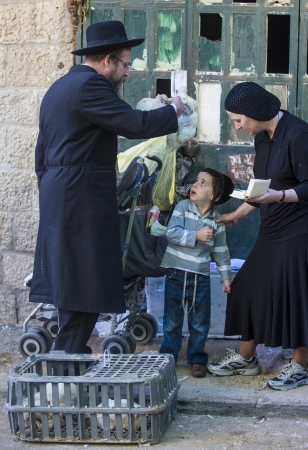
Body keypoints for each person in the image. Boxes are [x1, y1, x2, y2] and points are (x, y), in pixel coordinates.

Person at [29, 21, 184, 355]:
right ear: (108, 61)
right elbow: (135, 124)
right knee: (83, 272)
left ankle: (71, 351)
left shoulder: (63, 85)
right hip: (78, 192)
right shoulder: (91, 86)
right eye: (126, 64)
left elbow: (41, 152)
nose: (128, 72)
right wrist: (174, 110)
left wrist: (53, 186)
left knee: (77, 272)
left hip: (65, 189)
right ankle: (66, 356)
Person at [207, 82, 308, 390]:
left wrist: (278, 197)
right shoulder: (263, 139)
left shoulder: (298, 133)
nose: (238, 126)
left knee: (298, 295)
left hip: (306, 227)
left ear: (254, 112)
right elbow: (261, 186)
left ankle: (301, 367)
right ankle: (246, 359)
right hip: (276, 226)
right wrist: (236, 215)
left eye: (239, 120)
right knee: (249, 286)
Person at [160, 169, 234, 378]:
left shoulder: (216, 221)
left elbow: (221, 251)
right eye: (196, 181)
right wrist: (196, 235)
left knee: (199, 322)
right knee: (172, 320)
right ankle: (168, 355)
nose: (195, 185)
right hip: (176, 273)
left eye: (203, 183)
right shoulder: (183, 208)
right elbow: (171, 233)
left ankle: (197, 358)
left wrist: (226, 278)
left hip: (200, 277)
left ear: (215, 196)